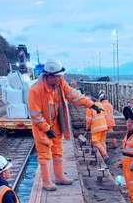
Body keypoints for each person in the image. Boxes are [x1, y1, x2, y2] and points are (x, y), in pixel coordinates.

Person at [28, 60, 103, 190]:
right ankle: (46, 182)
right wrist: (46, 129)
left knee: (58, 150)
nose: (60, 79)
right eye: (57, 77)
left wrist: (91, 104)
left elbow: (73, 95)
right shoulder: (35, 91)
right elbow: (36, 115)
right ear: (49, 76)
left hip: (56, 123)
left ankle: (59, 177)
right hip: (42, 128)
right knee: (44, 153)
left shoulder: (60, 84)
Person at [85, 90, 114, 163]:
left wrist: (87, 128)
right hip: (104, 126)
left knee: (95, 141)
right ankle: (105, 156)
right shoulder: (100, 104)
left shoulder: (89, 107)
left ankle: (105, 156)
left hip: (96, 128)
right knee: (102, 142)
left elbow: (89, 120)